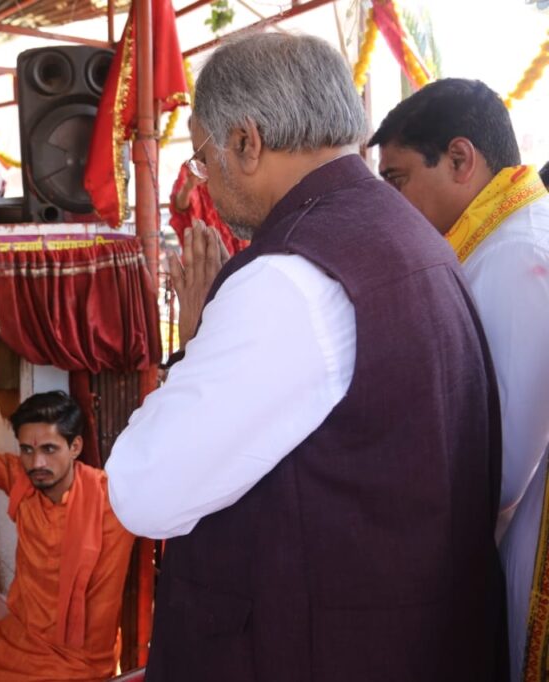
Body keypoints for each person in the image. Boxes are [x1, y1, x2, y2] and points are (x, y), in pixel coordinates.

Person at [105, 34, 505, 681]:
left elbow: (144, 489)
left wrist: (203, 329)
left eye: (203, 160)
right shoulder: (415, 236)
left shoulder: (288, 278)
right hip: (419, 636)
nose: (206, 180)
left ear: (246, 142)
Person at [370, 78, 549, 681]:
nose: (391, 204)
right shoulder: (502, 238)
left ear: (459, 159)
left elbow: (498, 470)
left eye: (396, 181)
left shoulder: (515, 254)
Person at [0, 319, 134, 682]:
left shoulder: (114, 498)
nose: (37, 462)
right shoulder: (19, 478)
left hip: (79, 661)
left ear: (75, 447)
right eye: (27, 449)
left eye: (49, 449)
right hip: (21, 639)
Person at [169, 153, 246, 256]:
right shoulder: (190, 168)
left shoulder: (228, 164)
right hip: (205, 249)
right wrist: (188, 186)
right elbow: (179, 207)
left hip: (233, 245)